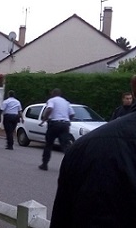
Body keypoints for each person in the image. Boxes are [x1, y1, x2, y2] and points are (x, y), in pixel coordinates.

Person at [50, 75, 136, 227]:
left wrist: (46, 120)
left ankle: (46, 161)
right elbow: (71, 114)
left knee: (51, 146)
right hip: (64, 125)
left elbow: (62, 218)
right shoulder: (67, 104)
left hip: (58, 127)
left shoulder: (83, 147)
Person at [38, 88, 74, 171]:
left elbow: (49, 109)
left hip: (54, 124)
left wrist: (44, 119)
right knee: (65, 146)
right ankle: (70, 165)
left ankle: (45, 164)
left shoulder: (52, 100)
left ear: (53, 94)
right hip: (65, 124)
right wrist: (66, 119)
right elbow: (72, 114)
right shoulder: (66, 102)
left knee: (49, 144)